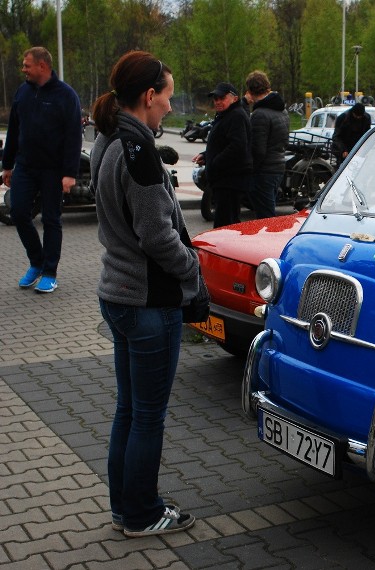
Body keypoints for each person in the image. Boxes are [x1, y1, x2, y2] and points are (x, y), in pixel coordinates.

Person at [90, 50, 198, 538]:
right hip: (149, 303)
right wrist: (193, 268)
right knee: (146, 415)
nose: (170, 110)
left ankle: (124, 507)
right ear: (148, 96)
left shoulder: (109, 141)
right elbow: (158, 237)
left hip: (117, 295)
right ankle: (141, 513)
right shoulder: (139, 154)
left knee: (129, 409)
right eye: (167, 98)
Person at [2, 47, 82, 293]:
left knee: (50, 219)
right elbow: (14, 130)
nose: (23, 69)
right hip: (25, 166)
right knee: (18, 212)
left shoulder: (66, 96)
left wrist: (69, 173)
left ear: (42, 66)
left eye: (27, 65)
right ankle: (36, 262)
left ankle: (49, 272)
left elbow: (73, 136)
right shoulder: (23, 92)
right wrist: (7, 165)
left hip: (53, 170)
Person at [192, 82, 251, 227]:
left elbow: (237, 147)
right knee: (226, 222)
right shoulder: (226, 115)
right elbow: (221, 143)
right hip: (224, 179)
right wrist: (206, 156)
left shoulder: (236, 116)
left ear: (234, 98)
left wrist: (214, 162)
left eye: (221, 98)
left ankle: (223, 249)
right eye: (215, 99)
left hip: (230, 180)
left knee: (225, 224)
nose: (217, 102)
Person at [245, 70, 289, 219]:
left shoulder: (259, 114)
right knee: (269, 208)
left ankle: (269, 241)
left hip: (264, 171)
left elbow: (258, 149)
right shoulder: (282, 111)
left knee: (265, 216)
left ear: (250, 91)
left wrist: (250, 170)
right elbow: (285, 140)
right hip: (278, 166)